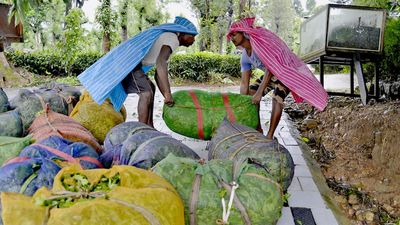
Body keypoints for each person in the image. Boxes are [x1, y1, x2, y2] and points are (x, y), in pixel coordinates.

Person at [78, 17, 198, 127]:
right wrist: (167, 94)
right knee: (146, 92)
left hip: (131, 64)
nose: (193, 40)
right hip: (128, 64)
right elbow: (161, 64)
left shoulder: (169, 37)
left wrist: (166, 95)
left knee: (151, 87)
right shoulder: (172, 38)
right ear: (182, 33)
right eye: (192, 35)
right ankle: (141, 129)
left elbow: (158, 75)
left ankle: (149, 127)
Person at [227, 17, 328, 140]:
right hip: (271, 75)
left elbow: (271, 67)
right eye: (230, 35)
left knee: (277, 98)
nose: (232, 38)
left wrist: (259, 93)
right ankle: (258, 129)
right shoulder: (244, 57)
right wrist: (243, 101)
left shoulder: (259, 46)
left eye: (234, 34)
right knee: (250, 94)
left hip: (286, 74)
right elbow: (244, 83)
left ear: (244, 32)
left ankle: (269, 136)